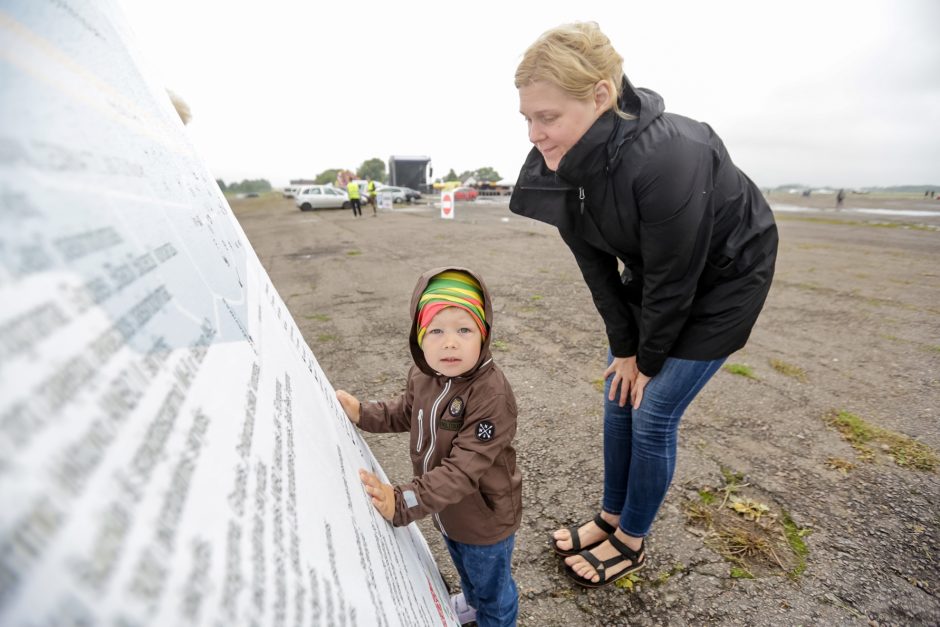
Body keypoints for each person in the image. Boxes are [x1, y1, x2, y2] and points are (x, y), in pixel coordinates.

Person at [510, 22, 778, 589]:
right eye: (528, 118)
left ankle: (629, 541)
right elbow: (598, 272)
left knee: (652, 410)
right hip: (659, 277)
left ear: (601, 96)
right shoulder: (560, 167)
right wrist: (626, 352)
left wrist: (647, 360)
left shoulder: (671, 155)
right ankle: (610, 516)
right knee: (617, 390)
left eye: (548, 117)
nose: (534, 133)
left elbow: (675, 281)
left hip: (725, 280)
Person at [336, 268, 522, 626]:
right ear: (419, 336)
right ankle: (471, 605)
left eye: (464, 330)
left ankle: (494, 618)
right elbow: (405, 411)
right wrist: (363, 413)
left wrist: (403, 501)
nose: (449, 343)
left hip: (484, 518)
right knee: (465, 568)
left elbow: (463, 470)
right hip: (446, 510)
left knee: (494, 591)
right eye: (436, 330)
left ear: (483, 334)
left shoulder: (491, 394)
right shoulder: (423, 375)